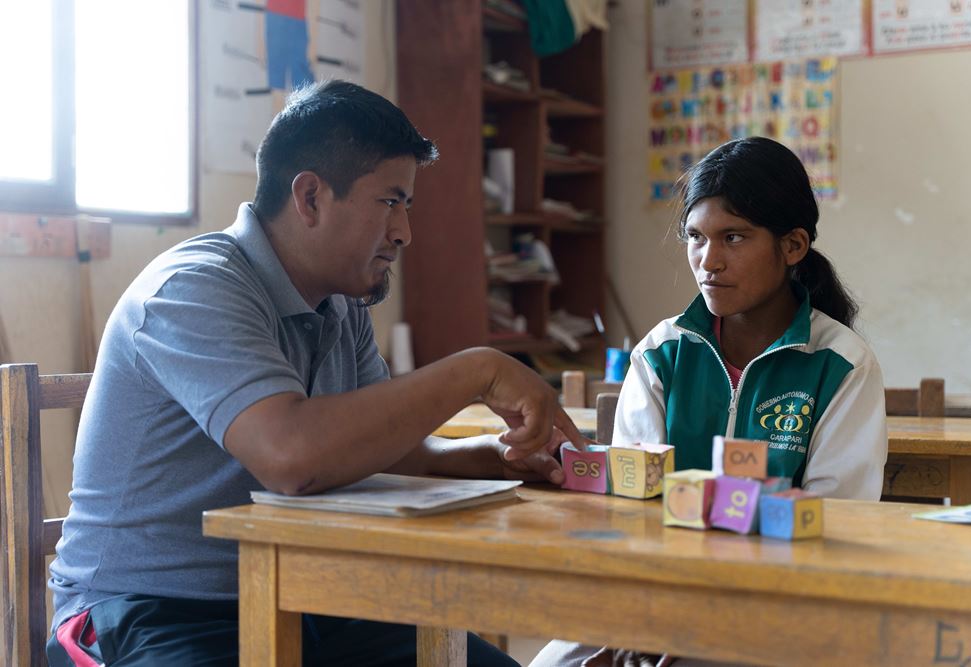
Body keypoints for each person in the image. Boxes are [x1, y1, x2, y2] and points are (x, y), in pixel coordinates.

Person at [47, 79, 586, 667]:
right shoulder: (193, 288)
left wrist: (496, 458)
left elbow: (381, 450)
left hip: (299, 598)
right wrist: (476, 371)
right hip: (146, 612)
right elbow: (293, 460)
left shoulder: (341, 304)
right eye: (390, 202)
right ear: (309, 197)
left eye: (407, 206)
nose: (404, 231)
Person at [530, 136, 888, 667]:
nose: (708, 261)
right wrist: (646, 614)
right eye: (695, 237)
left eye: (734, 237)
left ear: (793, 246)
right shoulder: (661, 352)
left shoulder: (841, 364)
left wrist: (696, 624)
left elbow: (835, 520)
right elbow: (631, 504)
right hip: (657, 590)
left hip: (782, 605)